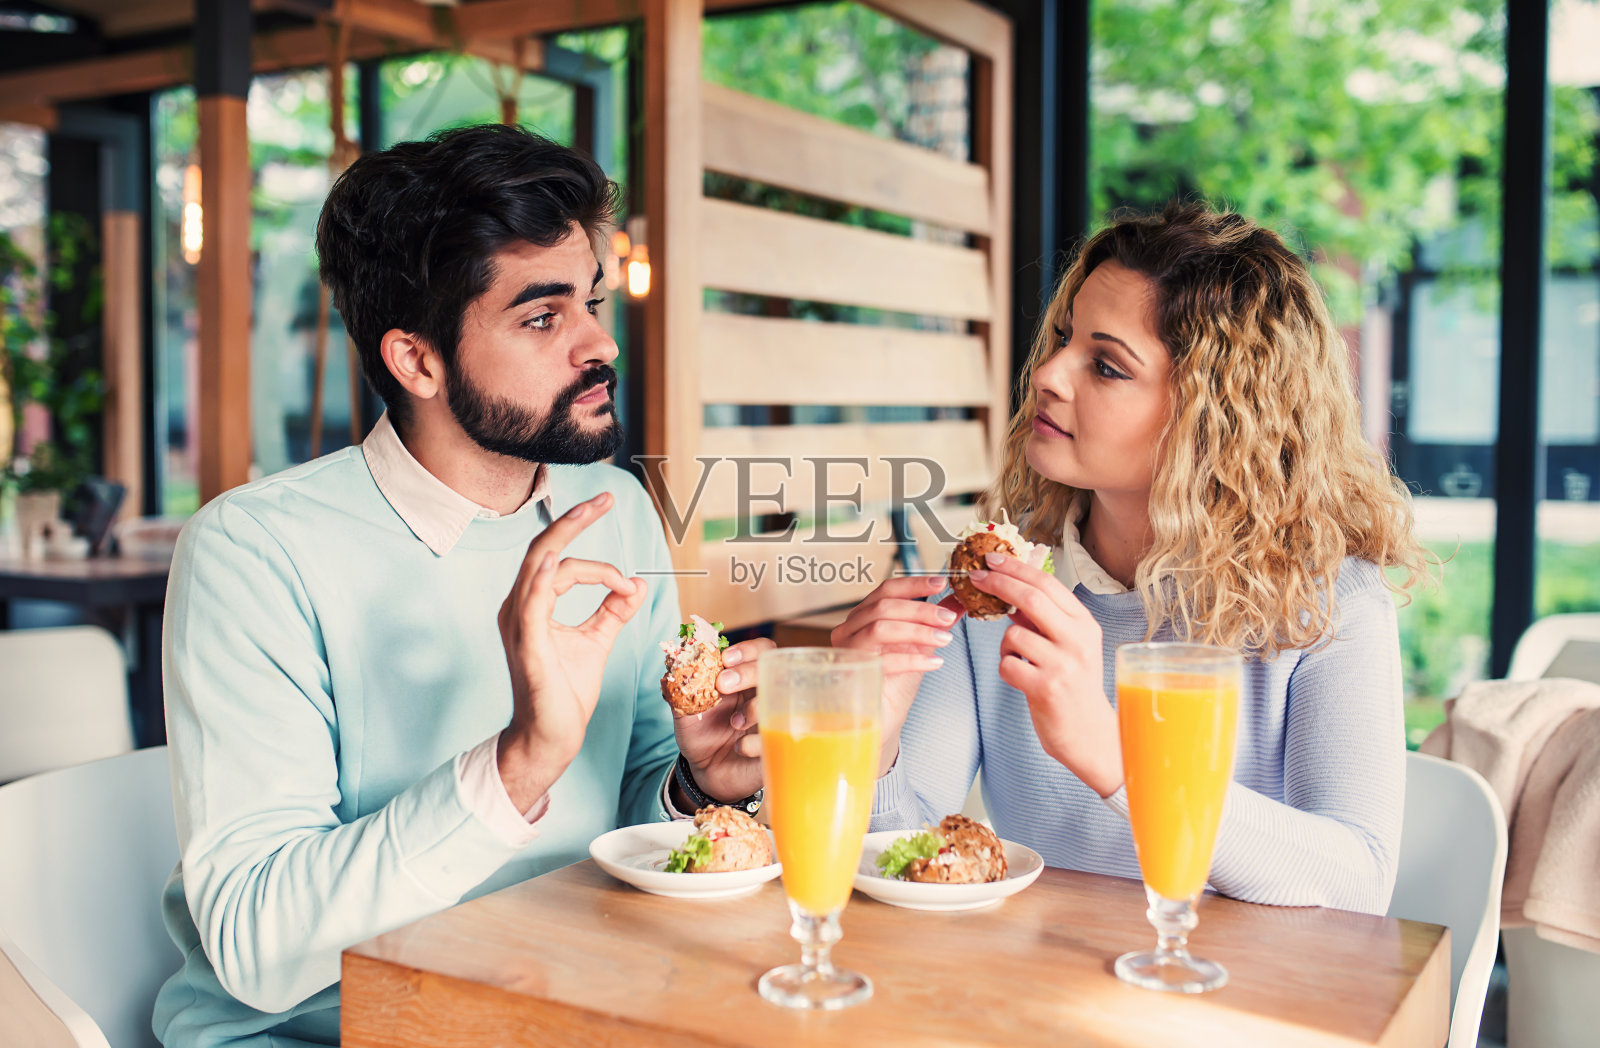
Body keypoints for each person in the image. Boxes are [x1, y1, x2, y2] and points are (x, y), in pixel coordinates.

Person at [153, 125, 768, 1047]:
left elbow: (632, 808)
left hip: (566, 1006)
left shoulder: (616, 508)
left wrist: (693, 786)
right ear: (417, 361)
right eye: (541, 316)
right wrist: (520, 762)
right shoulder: (255, 552)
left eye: (591, 302)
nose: (599, 344)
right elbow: (257, 943)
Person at [835, 202, 1430, 915]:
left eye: (1107, 365)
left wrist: (1111, 753)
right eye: (1061, 338)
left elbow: (1355, 880)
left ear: (1213, 417)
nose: (1049, 373)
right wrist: (874, 739)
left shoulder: (1331, 600)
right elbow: (904, 857)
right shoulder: (993, 586)